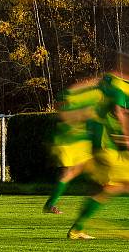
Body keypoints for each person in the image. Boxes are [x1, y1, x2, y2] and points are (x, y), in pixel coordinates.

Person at [68, 51, 129, 240]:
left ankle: (78, 228)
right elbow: (120, 113)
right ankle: (122, 226)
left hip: (100, 140)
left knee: (112, 187)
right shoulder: (122, 87)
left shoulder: (108, 80)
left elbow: (88, 91)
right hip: (108, 142)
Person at [43, 77, 101, 214]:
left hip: (76, 142)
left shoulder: (87, 98)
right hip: (72, 142)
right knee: (75, 173)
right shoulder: (84, 98)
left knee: (70, 173)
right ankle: (87, 209)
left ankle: (51, 204)